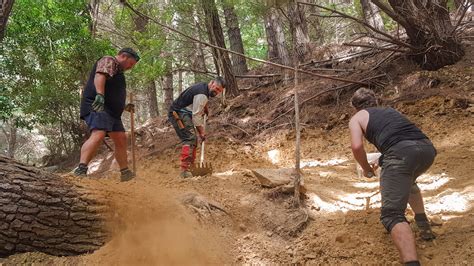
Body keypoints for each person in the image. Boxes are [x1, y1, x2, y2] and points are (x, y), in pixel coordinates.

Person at [348, 88, 436, 266]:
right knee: (408, 182)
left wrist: (367, 169)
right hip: (427, 149)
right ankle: (423, 225)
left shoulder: (357, 118)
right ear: (376, 101)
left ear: (354, 106)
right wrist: (382, 160)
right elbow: (401, 138)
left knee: (392, 215)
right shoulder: (390, 111)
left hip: (401, 153)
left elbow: (357, 147)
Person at [72, 48, 140, 182]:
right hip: (98, 105)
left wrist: (124, 106)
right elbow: (100, 75)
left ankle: (125, 172)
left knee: (121, 138)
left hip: (112, 112)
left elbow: (113, 93)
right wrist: (99, 95)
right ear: (123, 56)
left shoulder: (119, 73)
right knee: (99, 133)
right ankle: (81, 168)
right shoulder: (109, 60)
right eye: (130, 64)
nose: (130, 68)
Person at [168, 77, 225, 178]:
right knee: (190, 138)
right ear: (211, 83)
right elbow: (196, 116)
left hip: (185, 112)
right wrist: (201, 132)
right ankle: (185, 170)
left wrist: (205, 107)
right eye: (216, 88)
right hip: (178, 113)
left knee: (192, 139)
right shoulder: (202, 94)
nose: (217, 92)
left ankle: (190, 167)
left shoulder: (204, 89)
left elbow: (199, 101)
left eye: (219, 91)